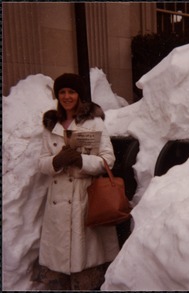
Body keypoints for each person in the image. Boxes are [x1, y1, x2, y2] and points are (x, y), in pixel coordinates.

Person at [31, 73, 119, 290]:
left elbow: (108, 159)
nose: (67, 96)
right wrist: (56, 161)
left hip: (84, 196)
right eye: (62, 92)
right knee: (59, 261)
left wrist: (82, 160)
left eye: (71, 92)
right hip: (58, 203)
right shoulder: (52, 125)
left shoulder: (94, 122)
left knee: (84, 259)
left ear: (79, 95)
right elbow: (41, 163)